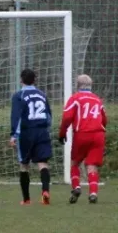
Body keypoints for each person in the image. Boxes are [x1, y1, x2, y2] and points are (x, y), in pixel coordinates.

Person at [59, 74, 107, 204]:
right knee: (92, 165)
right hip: (98, 135)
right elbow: (104, 119)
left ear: (77, 85)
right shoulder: (97, 99)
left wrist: (62, 133)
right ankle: (93, 193)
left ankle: (76, 187)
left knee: (75, 162)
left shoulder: (75, 98)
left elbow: (67, 117)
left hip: (82, 134)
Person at [9, 69, 52, 205]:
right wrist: (45, 128)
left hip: (26, 133)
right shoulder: (42, 95)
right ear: (34, 80)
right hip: (42, 130)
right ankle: (45, 191)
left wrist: (14, 135)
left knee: (24, 165)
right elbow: (49, 116)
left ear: (21, 80)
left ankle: (26, 199)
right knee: (42, 163)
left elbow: (16, 117)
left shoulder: (19, 95)